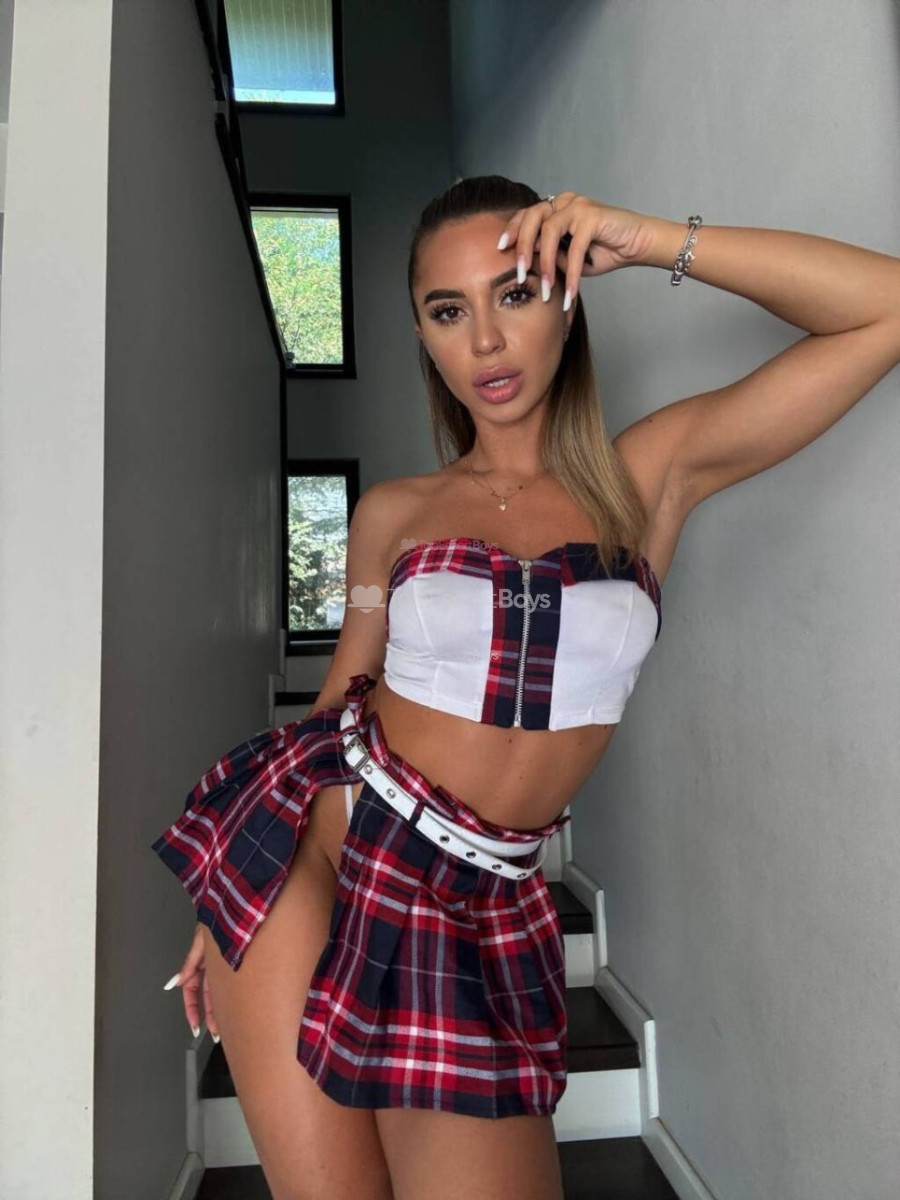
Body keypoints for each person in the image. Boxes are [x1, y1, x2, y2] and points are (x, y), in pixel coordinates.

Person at [152, 176, 900, 1200]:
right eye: (446, 312)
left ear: (567, 298)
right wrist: (227, 892)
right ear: (423, 336)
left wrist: (648, 240)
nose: (485, 342)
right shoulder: (393, 514)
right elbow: (343, 693)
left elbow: (883, 310)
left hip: (478, 897)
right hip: (310, 852)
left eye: (514, 294)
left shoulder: (647, 478)